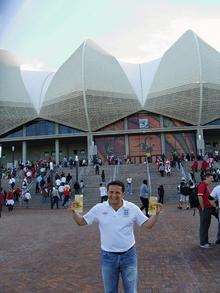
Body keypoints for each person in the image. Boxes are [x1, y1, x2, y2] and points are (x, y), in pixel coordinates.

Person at [69, 180, 162, 292]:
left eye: (117, 192)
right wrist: (74, 213)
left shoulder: (132, 208)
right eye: (111, 192)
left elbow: (147, 225)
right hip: (108, 257)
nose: (114, 195)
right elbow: (81, 222)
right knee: (110, 291)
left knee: (131, 290)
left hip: (129, 256)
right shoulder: (99, 208)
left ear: (123, 194)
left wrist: (156, 215)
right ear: (107, 193)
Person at [198, 173, 216, 248]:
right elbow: (200, 196)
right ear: (206, 178)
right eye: (211, 178)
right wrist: (202, 207)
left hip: (208, 208)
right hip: (205, 208)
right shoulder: (202, 185)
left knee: (206, 224)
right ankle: (203, 243)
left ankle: (206, 241)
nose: (212, 180)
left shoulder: (206, 186)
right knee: (204, 225)